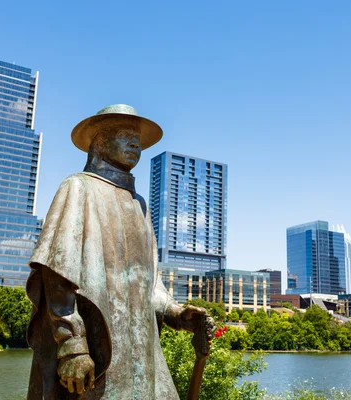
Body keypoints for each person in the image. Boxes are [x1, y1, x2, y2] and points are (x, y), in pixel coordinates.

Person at [26, 104, 215, 399]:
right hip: (97, 350)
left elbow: (149, 282)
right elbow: (57, 273)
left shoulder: (140, 204)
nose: (136, 144)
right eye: (126, 135)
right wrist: (71, 346)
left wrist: (178, 314)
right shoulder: (78, 188)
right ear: (100, 143)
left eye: (138, 139)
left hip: (142, 352)